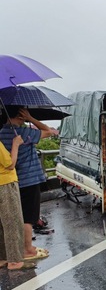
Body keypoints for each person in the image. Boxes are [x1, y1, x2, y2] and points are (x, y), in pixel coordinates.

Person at [0, 107, 55, 261]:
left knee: (17, 216)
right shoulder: (22, 133)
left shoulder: (1, 134)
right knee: (29, 217)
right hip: (29, 180)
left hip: (12, 181)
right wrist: (31, 118)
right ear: (20, 115)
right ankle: (27, 249)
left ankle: (17, 249)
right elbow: (49, 131)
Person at [0, 131, 34, 270]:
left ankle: (3, 258)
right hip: (5, 183)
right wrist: (16, 144)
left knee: (1, 225)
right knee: (12, 222)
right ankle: (14, 261)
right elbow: (10, 164)